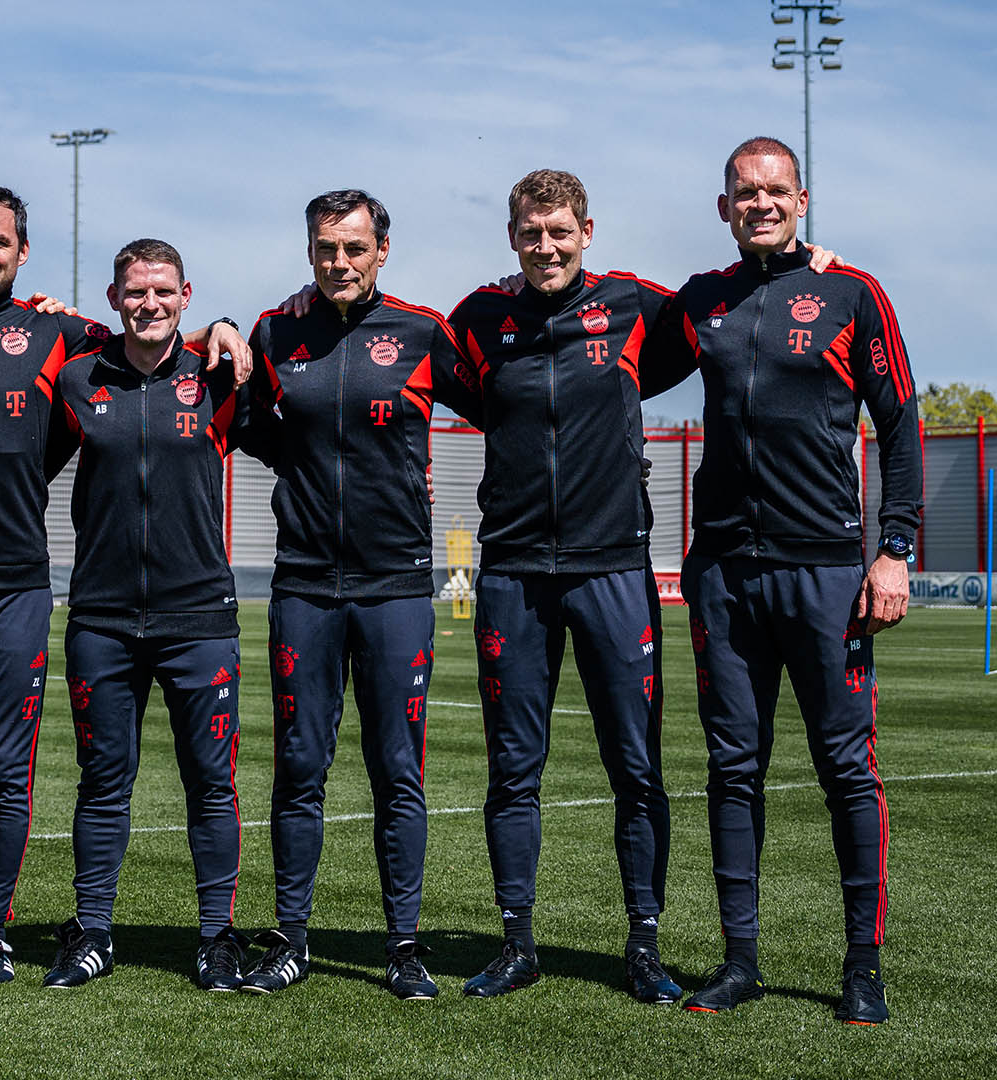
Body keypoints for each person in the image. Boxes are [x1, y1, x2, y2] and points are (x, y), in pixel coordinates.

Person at [0, 188, 249, 989]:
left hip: (81, 598)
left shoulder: (147, 361)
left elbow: (275, 417)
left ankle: (7, 937)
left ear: (22, 252)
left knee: (40, 776)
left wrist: (228, 328)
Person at [641, 136, 920, 1025]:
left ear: (801, 200)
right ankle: (738, 961)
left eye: (775, 191)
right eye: (743, 193)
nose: (759, 203)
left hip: (829, 569)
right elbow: (604, 349)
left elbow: (901, 424)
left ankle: (862, 967)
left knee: (846, 767)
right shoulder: (702, 304)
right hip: (723, 573)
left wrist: (895, 548)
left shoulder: (851, 293)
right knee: (733, 769)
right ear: (724, 208)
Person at [441, 169, 682, 1002]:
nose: (545, 247)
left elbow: (734, 318)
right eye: (530, 233)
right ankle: (517, 944)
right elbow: (387, 340)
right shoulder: (477, 319)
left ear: (587, 231)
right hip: (511, 573)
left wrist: (809, 261)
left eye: (560, 232)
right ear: (512, 237)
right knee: (513, 769)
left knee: (635, 768)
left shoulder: (639, 306)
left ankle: (644, 944)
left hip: (614, 568)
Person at [238, 190, 471, 1001]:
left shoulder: (421, 333)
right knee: (300, 767)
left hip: (396, 585)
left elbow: (509, 398)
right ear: (310, 252)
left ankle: (403, 946)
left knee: (395, 772)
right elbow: (242, 416)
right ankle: (290, 939)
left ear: (382, 252)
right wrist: (223, 328)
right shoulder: (277, 333)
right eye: (326, 248)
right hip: (303, 581)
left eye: (355, 248)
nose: (340, 262)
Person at [37, 239, 252, 992]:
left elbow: (305, 445)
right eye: (135, 292)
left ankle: (217, 938)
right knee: (103, 783)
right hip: (101, 619)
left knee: (211, 786)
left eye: (162, 291)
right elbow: (22, 467)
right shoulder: (75, 381)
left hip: (200, 620)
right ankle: (92, 932)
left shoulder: (219, 377)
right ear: (113, 297)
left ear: (186, 295)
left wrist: (228, 326)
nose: (149, 303)